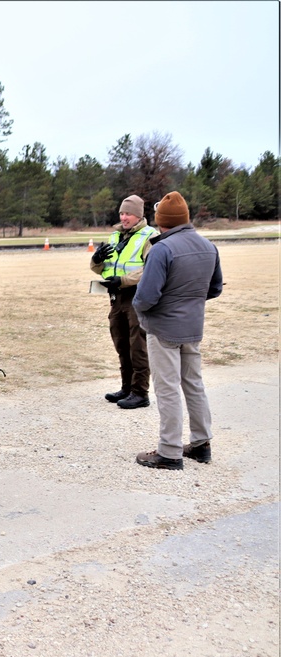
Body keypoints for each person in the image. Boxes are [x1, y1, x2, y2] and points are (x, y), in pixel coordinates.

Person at [132, 191, 223, 470]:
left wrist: (140, 311)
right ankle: (201, 443)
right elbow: (215, 288)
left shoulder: (162, 248)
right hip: (193, 327)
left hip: (163, 328)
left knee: (167, 388)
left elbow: (146, 296)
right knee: (194, 385)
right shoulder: (208, 246)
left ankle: (169, 451)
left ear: (161, 221)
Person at [90, 194, 158, 409]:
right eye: (121, 213)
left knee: (138, 345)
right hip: (115, 297)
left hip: (137, 296)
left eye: (128, 213)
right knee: (121, 344)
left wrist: (124, 280)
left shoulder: (150, 236)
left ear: (139, 215)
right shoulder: (115, 236)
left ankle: (140, 392)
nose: (124, 217)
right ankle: (126, 387)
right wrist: (97, 259)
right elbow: (100, 267)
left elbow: (150, 269)